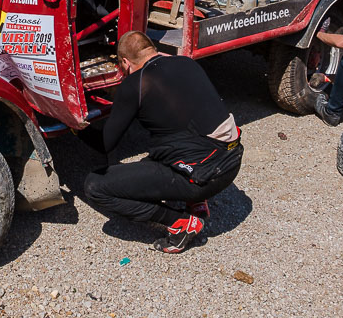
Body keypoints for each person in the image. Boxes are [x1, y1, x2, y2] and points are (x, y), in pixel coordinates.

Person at [83, 32, 242, 254]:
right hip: (230, 161)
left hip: (203, 176)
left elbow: (105, 144)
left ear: (126, 62)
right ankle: (196, 201)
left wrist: (76, 128)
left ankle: (181, 222)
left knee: (95, 186)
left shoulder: (135, 84)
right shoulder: (186, 63)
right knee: (161, 151)